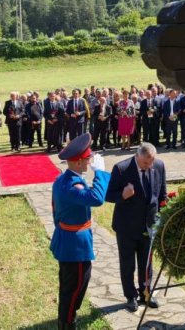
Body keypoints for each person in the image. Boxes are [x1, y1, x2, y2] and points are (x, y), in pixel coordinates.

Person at [50, 134, 109, 330]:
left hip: (67, 241)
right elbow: (96, 198)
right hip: (75, 247)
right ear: (77, 162)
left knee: (69, 286)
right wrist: (100, 173)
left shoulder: (62, 179)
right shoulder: (72, 185)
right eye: (87, 159)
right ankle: (68, 324)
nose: (90, 161)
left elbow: (55, 211)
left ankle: (66, 320)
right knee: (74, 289)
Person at [105, 143, 167, 312]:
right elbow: (108, 195)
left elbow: (162, 194)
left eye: (152, 162)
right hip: (127, 226)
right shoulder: (121, 169)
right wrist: (123, 195)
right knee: (128, 263)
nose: (150, 165)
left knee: (146, 263)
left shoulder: (159, 166)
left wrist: (163, 215)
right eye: (146, 162)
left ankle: (146, 293)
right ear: (137, 156)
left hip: (149, 224)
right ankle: (130, 296)